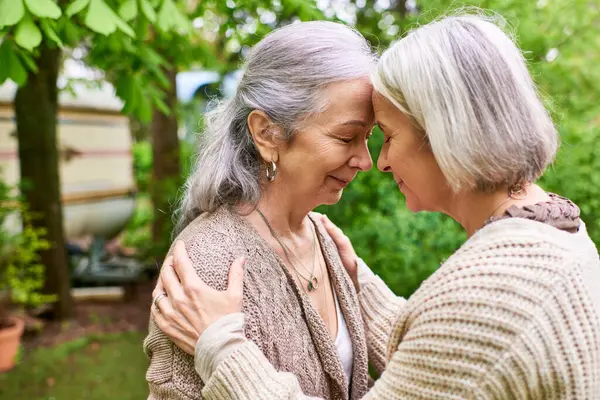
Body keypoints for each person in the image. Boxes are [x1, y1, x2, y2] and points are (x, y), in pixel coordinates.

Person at [151, 13, 600, 399]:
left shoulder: (492, 291)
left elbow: (464, 341)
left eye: (383, 135)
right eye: (349, 137)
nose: (374, 161)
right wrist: (363, 293)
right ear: (267, 134)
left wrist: (222, 348)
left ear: (447, 135)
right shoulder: (561, 229)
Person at [144, 21, 379, 399]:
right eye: (346, 137)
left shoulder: (324, 237)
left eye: (368, 138)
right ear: (267, 133)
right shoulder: (206, 265)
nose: (365, 160)